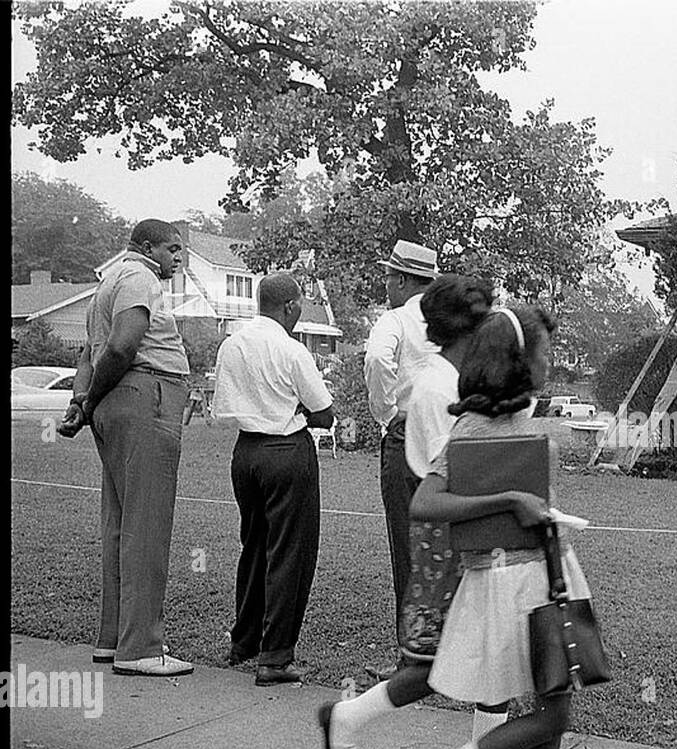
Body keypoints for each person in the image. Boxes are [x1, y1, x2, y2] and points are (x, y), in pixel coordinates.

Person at [317, 275, 523, 749]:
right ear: (466, 326)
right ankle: (348, 717)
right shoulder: (437, 388)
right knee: (436, 665)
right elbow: (449, 480)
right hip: (450, 539)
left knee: (496, 652)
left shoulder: (456, 378)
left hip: (470, 533)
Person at [398, 304, 589, 749]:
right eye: (544, 351)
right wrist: (509, 499)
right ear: (515, 357)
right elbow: (425, 501)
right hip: (510, 581)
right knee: (554, 708)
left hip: (541, 569)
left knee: (555, 705)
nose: (550, 361)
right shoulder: (476, 423)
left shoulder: (516, 414)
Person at [57, 219, 194, 677]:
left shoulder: (107, 283)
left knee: (120, 523)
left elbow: (87, 356)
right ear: (146, 247)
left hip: (115, 404)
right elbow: (120, 347)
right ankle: (140, 649)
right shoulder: (139, 277)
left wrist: (82, 403)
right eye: (171, 249)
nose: (177, 258)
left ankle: (112, 639)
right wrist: (92, 399)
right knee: (148, 525)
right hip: (144, 398)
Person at [211, 273, 334, 686]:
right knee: (290, 553)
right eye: (298, 305)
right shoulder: (291, 350)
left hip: (245, 454)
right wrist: (295, 405)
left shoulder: (232, 344)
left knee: (255, 546)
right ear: (289, 306)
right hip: (286, 453)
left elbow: (225, 404)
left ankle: (243, 640)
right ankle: (275, 657)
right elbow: (324, 413)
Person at [364, 240, 441, 642]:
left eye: (390, 277)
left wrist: (387, 413)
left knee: (406, 546)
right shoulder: (451, 323)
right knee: (445, 542)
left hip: (406, 433)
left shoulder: (394, 320)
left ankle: (413, 650)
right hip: (446, 438)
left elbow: (377, 359)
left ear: (403, 280)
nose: (387, 284)